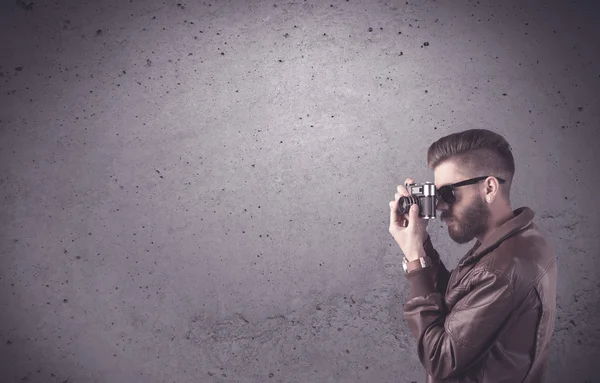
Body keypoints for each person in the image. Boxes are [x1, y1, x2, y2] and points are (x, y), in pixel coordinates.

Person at [388, 128, 557, 383]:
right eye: (437, 196)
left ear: (489, 187)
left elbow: (440, 359)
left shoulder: (502, 270)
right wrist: (420, 242)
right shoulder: (518, 239)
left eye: (447, 194)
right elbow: (459, 305)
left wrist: (415, 260)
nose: (441, 207)